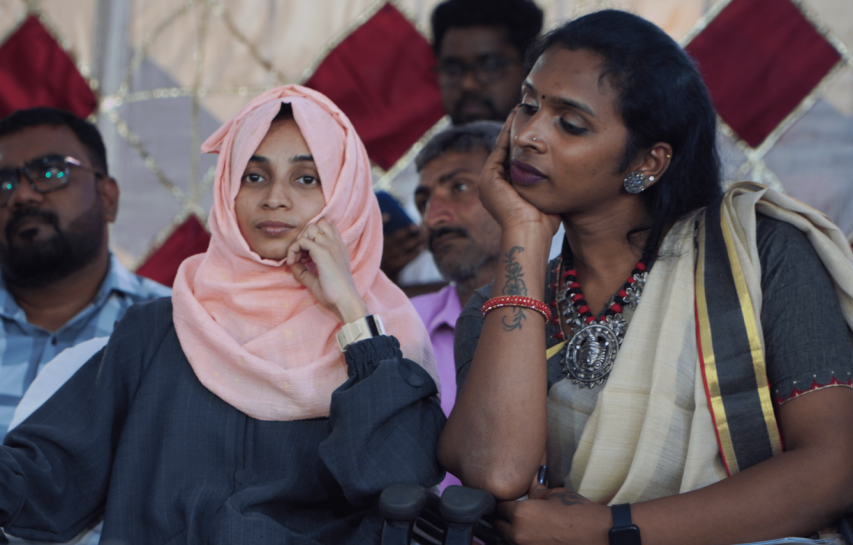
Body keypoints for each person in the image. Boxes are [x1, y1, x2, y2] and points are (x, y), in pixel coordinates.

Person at [438, 10, 853, 545]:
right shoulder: (499, 306)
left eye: (570, 124)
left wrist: (610, 529)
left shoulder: (760, 252)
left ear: (648, 163)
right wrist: (522, 236)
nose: (529, 135)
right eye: (528, 106)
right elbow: (497, 472)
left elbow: (830, 472)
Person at [0, 86, 444, 544]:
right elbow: (49, 473)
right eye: (253, 177)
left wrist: (350, 310)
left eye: (306, 179)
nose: (275, 198)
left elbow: (398, 481)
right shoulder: (159, 329)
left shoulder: (380, 341)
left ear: (346, 196)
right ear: (227, 192)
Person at [0, 107, 170, 440]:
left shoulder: (178, 328)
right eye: (4, 183)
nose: (21, 195)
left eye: (50, 173)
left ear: (108, 198)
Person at [380, 0, 544, 289]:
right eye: (453, 68)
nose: (468, 83)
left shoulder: (558, 169)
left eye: (489, 65)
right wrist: (380, 274)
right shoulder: (405, 181)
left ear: (530, 69)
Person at [409, 122, 503, 490]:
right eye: (423, 202)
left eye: (460, 187)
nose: (433, 219)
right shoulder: (400, 326)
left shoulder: (574, 312)